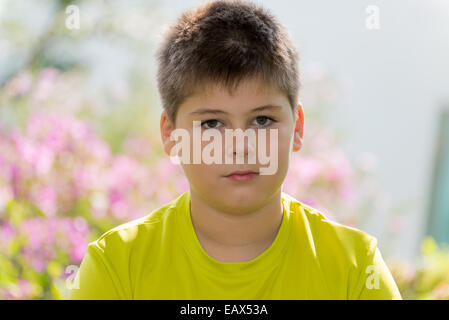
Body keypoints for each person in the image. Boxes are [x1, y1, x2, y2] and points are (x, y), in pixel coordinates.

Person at [69, 0, 402, 300]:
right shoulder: (117, 266)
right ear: (172, 136)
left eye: (262, 120)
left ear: (297, 127)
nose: (240, 147)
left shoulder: (355, 270)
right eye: (212, 124)